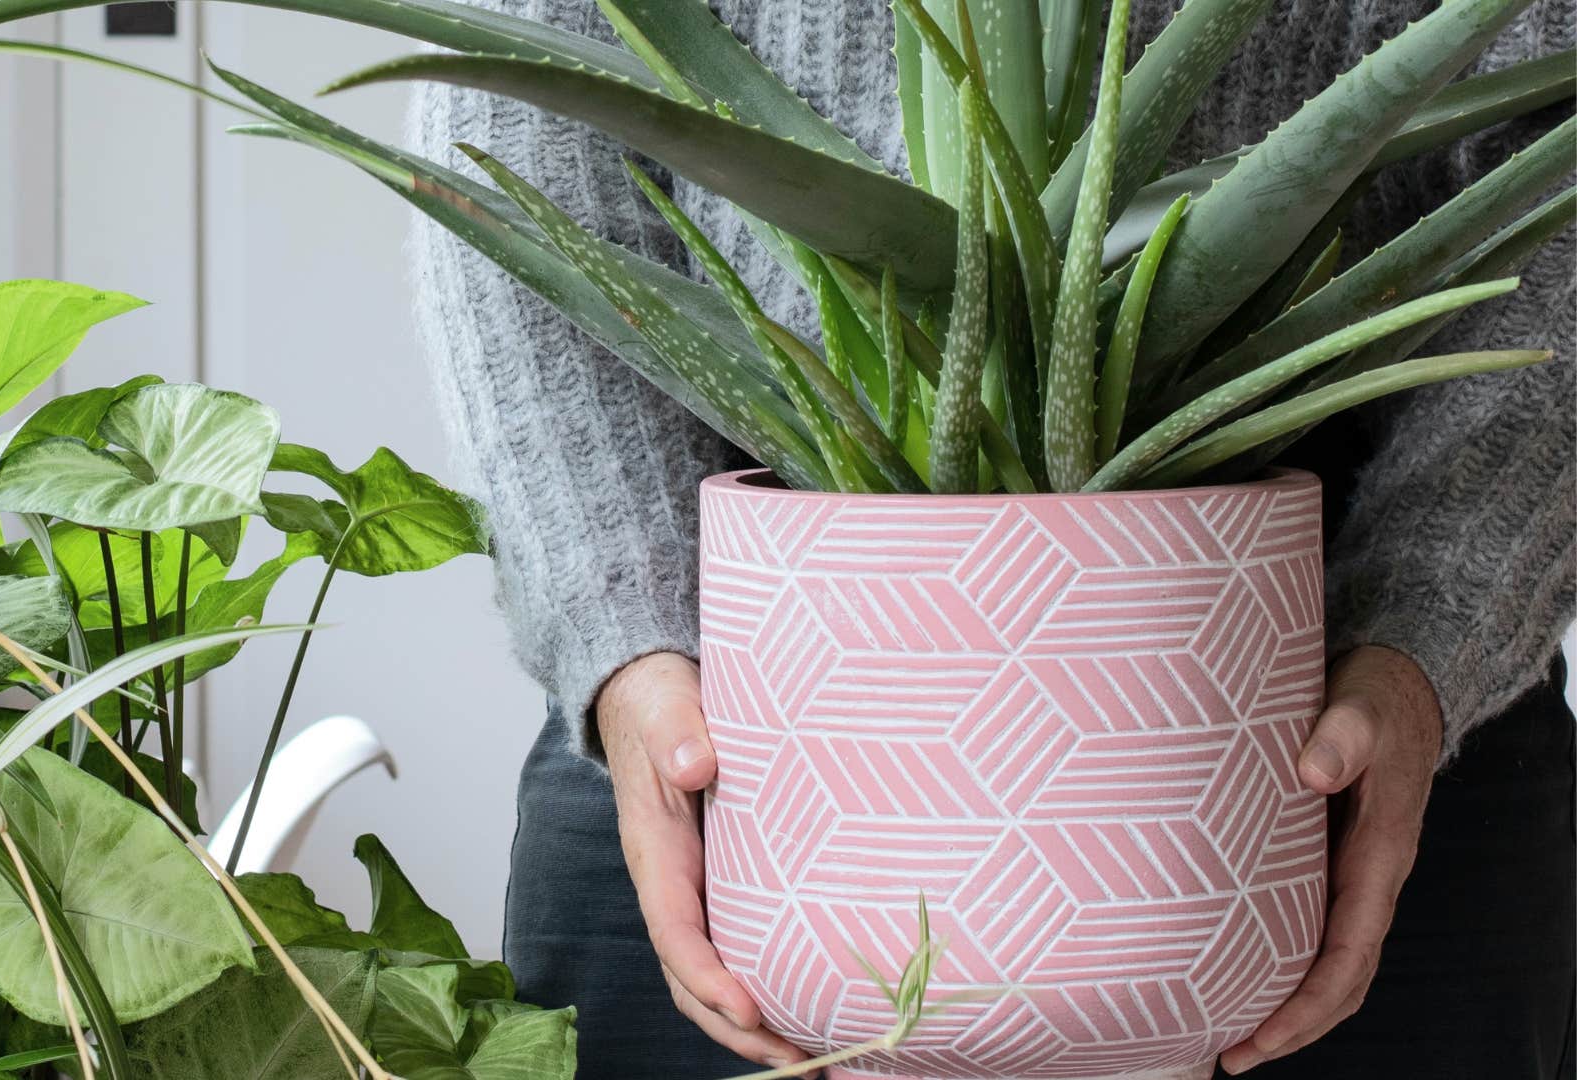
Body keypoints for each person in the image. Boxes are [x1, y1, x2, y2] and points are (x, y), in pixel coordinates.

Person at [406, 1, 1576, 1076]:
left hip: (1358, 697)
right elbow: (514, 127)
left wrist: (1436, 623)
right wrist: (627, 636)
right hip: (726, 683)